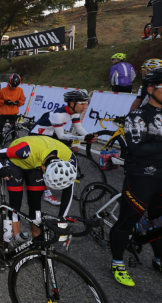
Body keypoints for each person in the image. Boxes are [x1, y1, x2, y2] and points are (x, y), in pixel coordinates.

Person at [108, 69, 162, 286]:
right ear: (151, 90)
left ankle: (158, 259)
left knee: (157, 222)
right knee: (127, 221)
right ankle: (117, 262)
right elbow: (137, 149)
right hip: (142, 176)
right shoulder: (137, 115)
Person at [0, 135, 78, 245]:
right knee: (15, 204)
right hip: (17, 162)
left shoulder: (69, 157)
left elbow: (68, 191)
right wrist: (2, 168)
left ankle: (37, 242)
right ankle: (15, 242)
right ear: (44, 169)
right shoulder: (24, 150)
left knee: (35, 204)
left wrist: (61, 218)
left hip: (36, 164)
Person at [31, 90, 97, 205]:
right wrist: (83, 138)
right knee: (46, 161)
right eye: (82, 103)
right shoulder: (58, 115)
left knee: (75, 148)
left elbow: (79, 129)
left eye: (85, 103)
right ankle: (47, 193)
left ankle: (60, 169)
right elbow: (61, 136)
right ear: (71, 103)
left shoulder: (75, 112)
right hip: (38, 135)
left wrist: (87, 135)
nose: (84, 107)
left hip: (51, 133)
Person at [0, 73, 25, 147]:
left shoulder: (20, 90)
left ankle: (13, 146)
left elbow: (22, 101)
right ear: (9, 82)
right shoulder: (2, 90)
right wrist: (4, 102)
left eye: (15, 86)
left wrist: (18, 102)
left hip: (13, 114)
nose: (13, 88)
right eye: (12, 86)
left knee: (14, 131)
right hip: (4, 113)